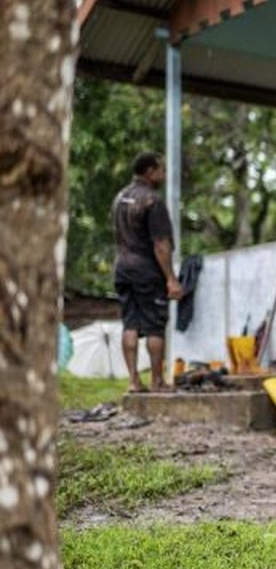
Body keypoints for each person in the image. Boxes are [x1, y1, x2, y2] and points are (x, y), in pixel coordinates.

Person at [111, 151, 182, 393]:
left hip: (122, 268)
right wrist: (171, 278)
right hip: (146, 271)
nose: (163, 175)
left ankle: (133, 381)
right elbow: (161, 244)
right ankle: (157, 381)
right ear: (150, 171)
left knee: (130, 324)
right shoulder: (152, 201)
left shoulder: (120, 198)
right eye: (161, 170)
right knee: (154, 326)